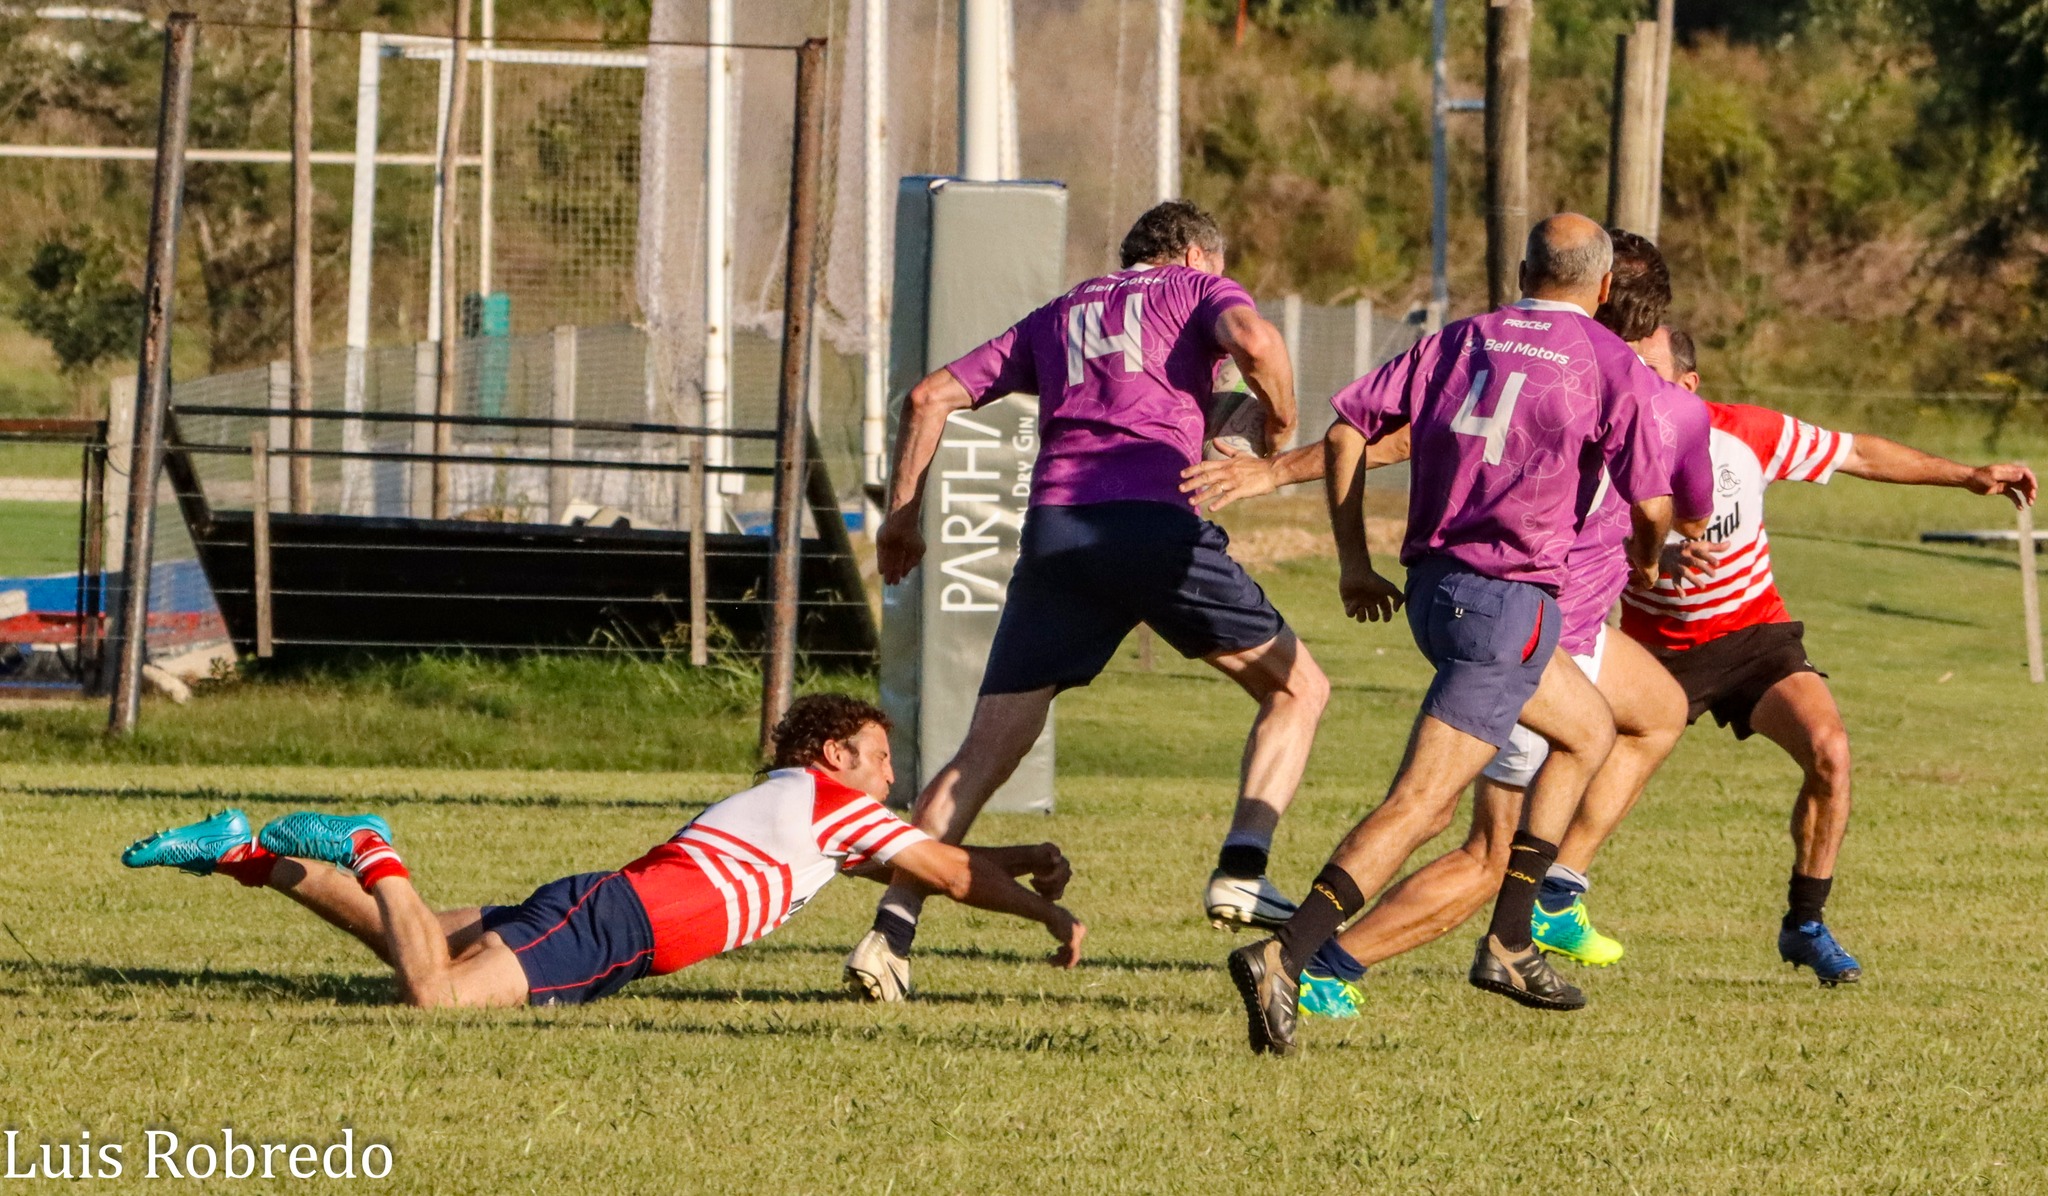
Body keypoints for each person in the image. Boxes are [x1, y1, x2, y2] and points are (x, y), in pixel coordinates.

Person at [1184, 233, 1713, 1019]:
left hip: (1439, 592)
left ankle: (1510, 943)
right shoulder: (1608, 362)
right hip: (1508, 605)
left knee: (1590, 732)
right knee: (1424, 808)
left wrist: (1355, 563)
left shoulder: (1464, 337)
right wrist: (1648, 556)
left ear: (1523, 273)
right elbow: (1654, 503)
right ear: (1600, 290)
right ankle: (1288, 954)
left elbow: (1348, 429)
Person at [846, 200, 1332, 1002]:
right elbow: (1257, 341)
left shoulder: (1061, 312)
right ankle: (1244, 868)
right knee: (1298, 687)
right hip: (1149, 524)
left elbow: (929, 397)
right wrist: (1278, 427)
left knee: (983, 752)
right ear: (1194, 255)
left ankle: (889, 934)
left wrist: (902, 520)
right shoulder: (1194, 290)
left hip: (1058, 534)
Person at [1573, 327, 2039, 984]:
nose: (1636, 383)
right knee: (1580, 769)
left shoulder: (1746, 433)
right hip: (1658, 651)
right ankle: (1548, 905)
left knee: (1831, 751)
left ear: (1689, 384)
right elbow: (1570, 543)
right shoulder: (1606, 449)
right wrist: (1644, 557)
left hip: (1754, 635)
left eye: (1650, 369)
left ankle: (1806, 925)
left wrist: (1965, 476)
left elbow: (1859, 455)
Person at [120, 695, 1084, 1008]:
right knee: (436, 997)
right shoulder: (837, 802)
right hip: (620, 920)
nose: (888, 776)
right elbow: (947, 872)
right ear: (836, 755)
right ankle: (372, 843)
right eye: (879, 758)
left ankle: (243, 852)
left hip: (607, 911)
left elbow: (922, 858)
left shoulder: (816, 812)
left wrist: (1021, 849)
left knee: (402, 938)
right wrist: (1043, 909)